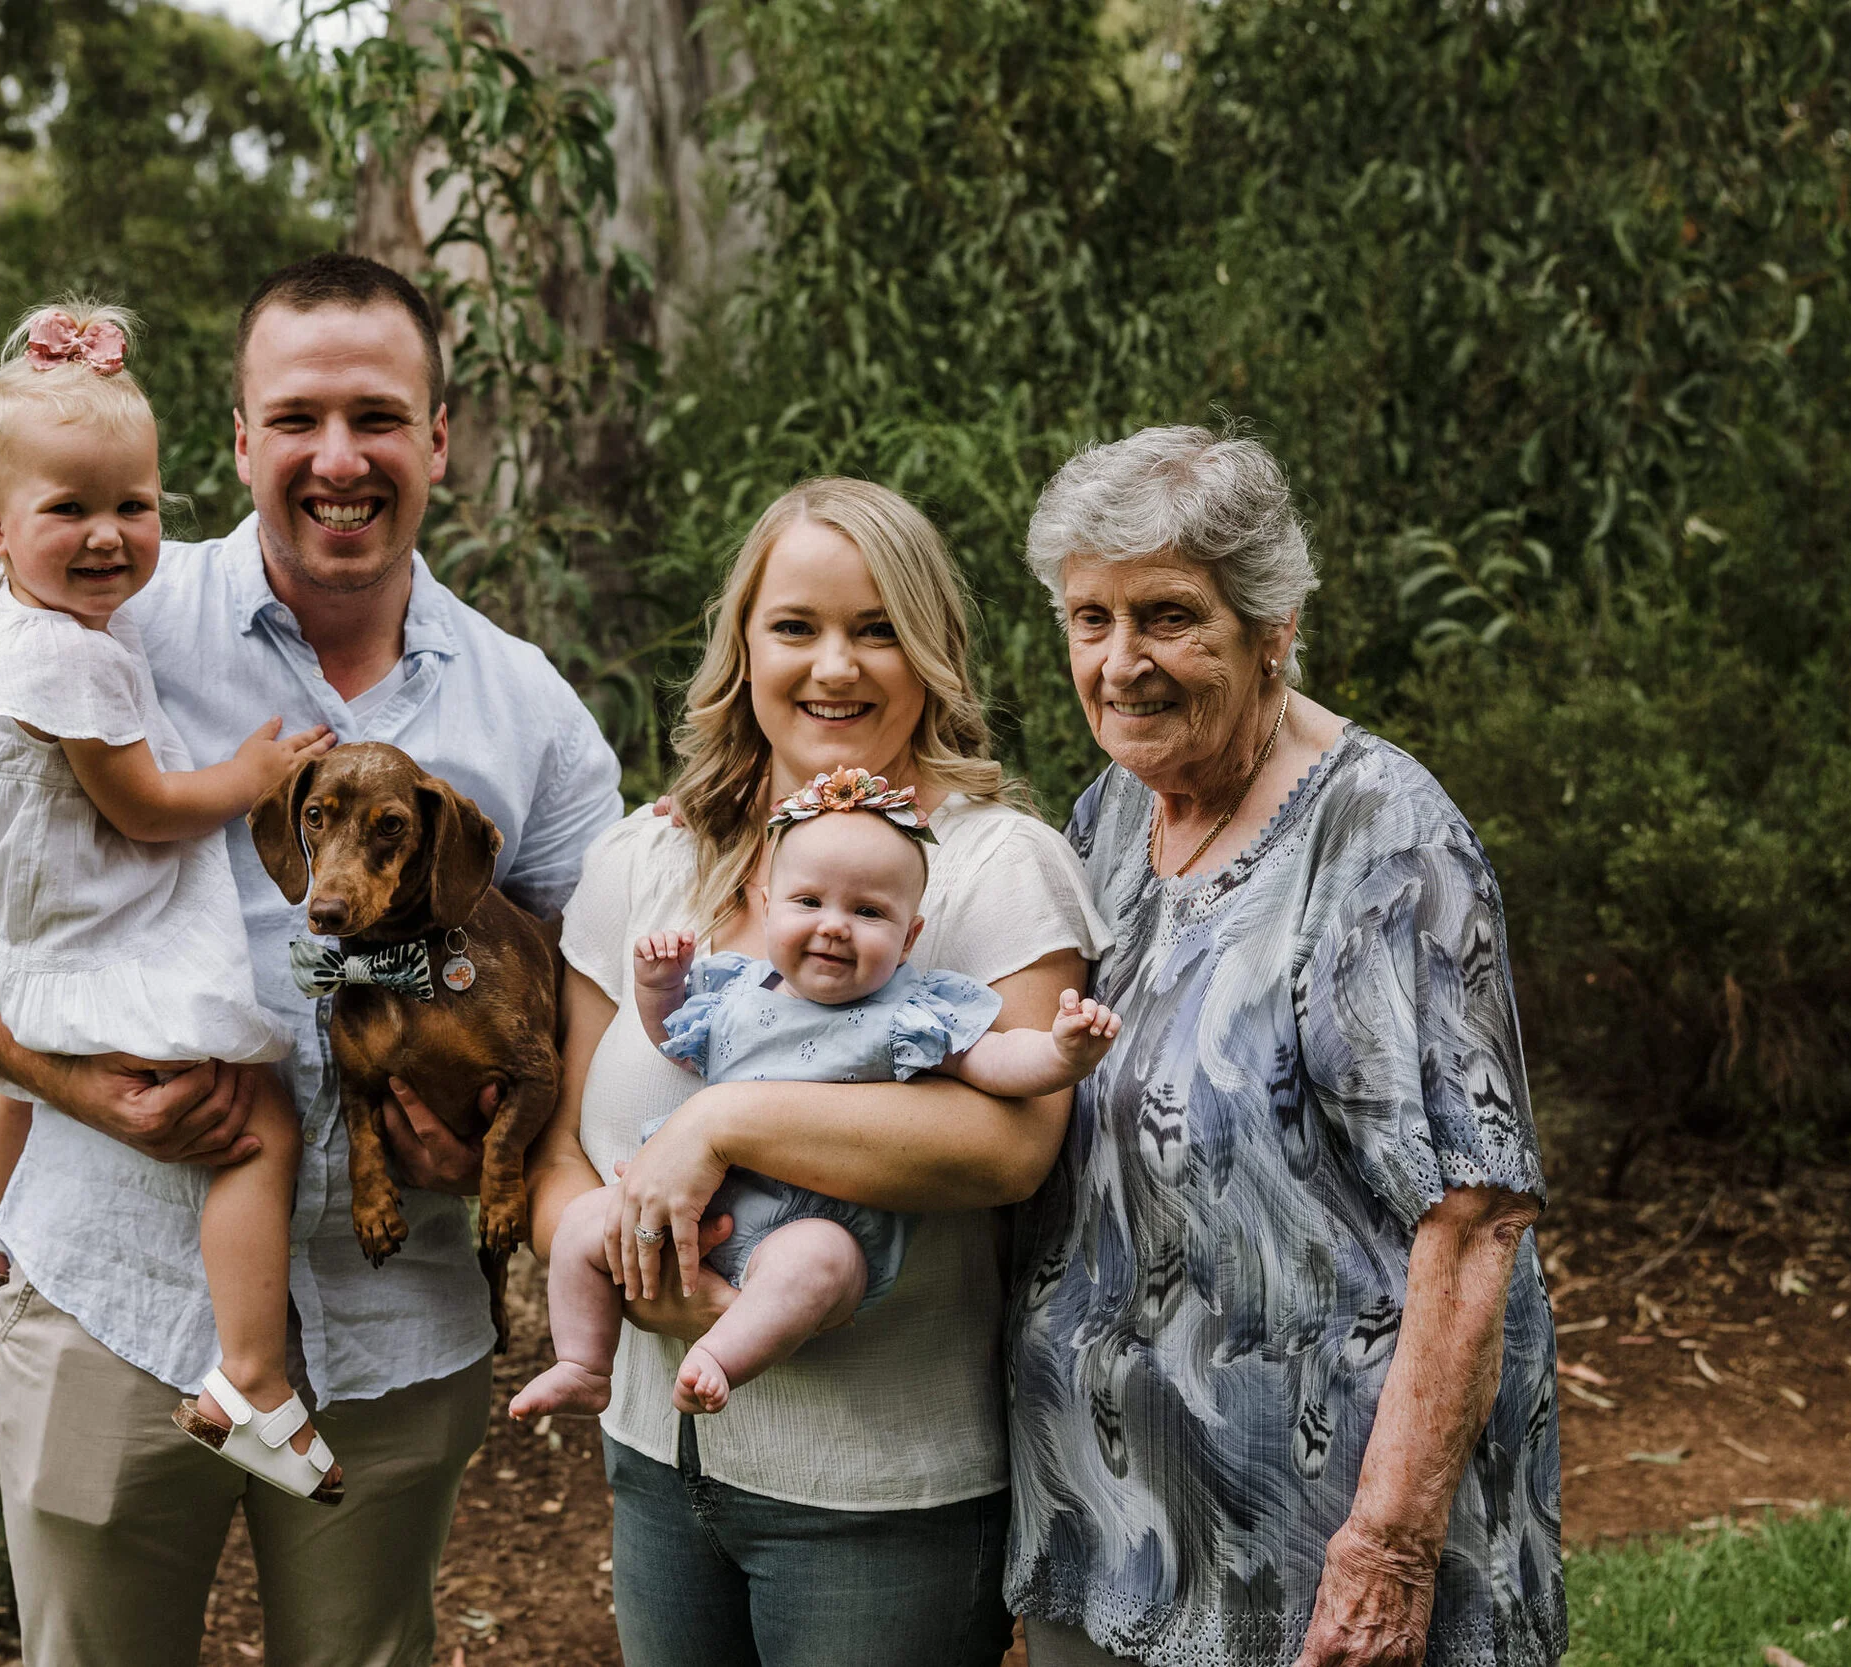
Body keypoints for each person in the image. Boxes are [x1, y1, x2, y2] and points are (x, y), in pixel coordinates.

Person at [0, 253, 623, 1667]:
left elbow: (598, 994)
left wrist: (520, 1140)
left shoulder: (531, 714)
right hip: (115, 1294)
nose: (339, 457)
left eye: (379, 415)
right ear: (241, 439)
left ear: (440, 438)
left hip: (398, 1323)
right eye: (298, 416)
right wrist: (53, 1068)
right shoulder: (87, 622)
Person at [523, 478, 1115, 1667]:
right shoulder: (645, 860)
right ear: (742, 645)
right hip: (655, 1458)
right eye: (795, 626)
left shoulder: (999, 866)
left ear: (932, 648)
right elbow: (560, 1153)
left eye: (876, 626)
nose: (833, 667)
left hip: (879, 1487)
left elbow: (1007, 1148)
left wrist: (724, 1122)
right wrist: (637, 1274)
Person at [1004, 426, 1564, 1667]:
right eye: (1087, 619)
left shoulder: (1385, 844)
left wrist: (1388, 1547)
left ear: (1275, 627)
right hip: (1105, 1507)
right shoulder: (1109, 814)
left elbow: (1473, 1216)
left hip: (1312, 1542)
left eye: (1166, 615)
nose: (1120, 662)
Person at [0, 298, 344, 1503]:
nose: (110, 538)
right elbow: (144, 807)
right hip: (90, 918)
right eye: (72, 510)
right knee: (257, 1115)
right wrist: (253, 775)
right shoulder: (75, 651)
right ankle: (251, 1375)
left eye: (135, 506)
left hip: (22, 921)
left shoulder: (17, 617)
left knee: (15, 1056)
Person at [513, 765, 1121, 1424]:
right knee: (583, 1220)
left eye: (867, 911)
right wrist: (659, 985)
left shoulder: (909, 1012)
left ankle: (720, 1355)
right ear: (769, 906)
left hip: (814, 1226)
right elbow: (673, 1040)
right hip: (694, 1207)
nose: (834, 926)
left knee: (815, 1264)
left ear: (910, 936)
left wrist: (1060, 1052)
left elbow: (998, 1060)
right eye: (809, 902)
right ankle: (583, 1362)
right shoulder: (735, 994)